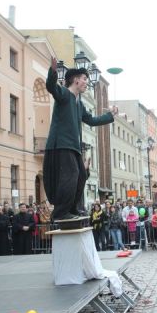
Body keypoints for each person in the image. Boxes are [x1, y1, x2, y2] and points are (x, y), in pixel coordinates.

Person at [43, 57, 118, 221]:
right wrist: (53, 71)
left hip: (74, 146)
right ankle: (61, 212)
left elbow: (91, 120)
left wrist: (110, 116)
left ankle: (73, 208)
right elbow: (50, 86)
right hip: (61, 144)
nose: (86, 82)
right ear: (75, 81)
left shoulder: (79, 103)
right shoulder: (64, 93)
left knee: (81, 175)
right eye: (84, 79)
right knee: (71, 174)